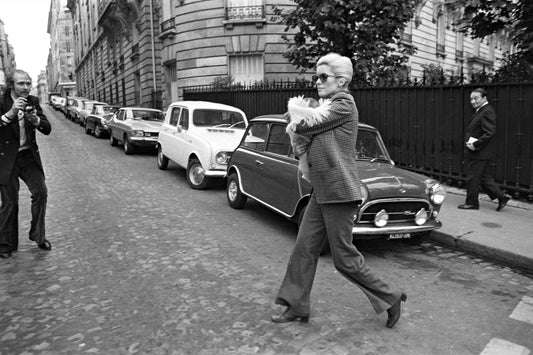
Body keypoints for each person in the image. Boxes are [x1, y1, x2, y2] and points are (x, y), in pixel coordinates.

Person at [271, 53, 406, 328]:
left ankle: (390, 296)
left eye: (323, 77)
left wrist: (296, 116)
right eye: (316, 77)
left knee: (344, 258)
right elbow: (304, 128)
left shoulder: (344, 105)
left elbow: (307, 125)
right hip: (323, 191)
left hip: (341, 192)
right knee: (303, 249)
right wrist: (297, 119)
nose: (318, 82)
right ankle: (297, 305)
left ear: (342, 80)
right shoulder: (328, 106)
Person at [0, 69, 52, 259]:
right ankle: (5, 244)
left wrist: (35, 119)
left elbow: (47, 128)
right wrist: (11, 113)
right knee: (10, 202)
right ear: (11, 85)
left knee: (41, 192)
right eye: (21, 83)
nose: (26, 87)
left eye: (28, 83)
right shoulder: (1, 101)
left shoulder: (33, 101)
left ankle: (37, 236)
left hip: (28, 157)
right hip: (6, 158)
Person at [458, 88, 511, 211]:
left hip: (479, 152)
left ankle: (472, 203)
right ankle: (502, 196)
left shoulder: (487, 111)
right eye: (471, 99)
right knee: (483, 178)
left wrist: (475, 144)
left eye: (476, 98)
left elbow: (489, 133)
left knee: (473, 178)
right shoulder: (481, 110)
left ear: (484, 98)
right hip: (480, 152)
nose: (473, 101)